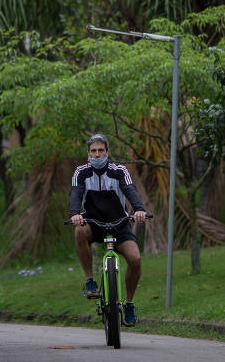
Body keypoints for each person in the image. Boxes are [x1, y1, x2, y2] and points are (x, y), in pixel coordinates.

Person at [69, 133, 147, 326]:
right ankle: (90, 281)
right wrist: (74, 213)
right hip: (93, 223)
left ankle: (128, 304)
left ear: (107, 152)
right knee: (79, 230)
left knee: (135, 259)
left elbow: (130, 189)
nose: (97, 155)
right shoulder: (81, 172)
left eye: (100, 151)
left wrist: (139, 209)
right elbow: (76, 193)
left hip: (119, 223)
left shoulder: (119, 171)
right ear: (88, 153)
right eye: (93, 151)